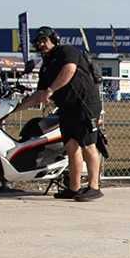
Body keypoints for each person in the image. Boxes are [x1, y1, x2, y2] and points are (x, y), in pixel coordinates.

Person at [12, 26, 104, 200]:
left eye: (44, 40)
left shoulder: (66, 51)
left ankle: (94, 187)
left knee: (88, 145)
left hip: (84, 104)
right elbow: (39, 95)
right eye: (38, 42)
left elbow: (69, 70)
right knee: (71, 146)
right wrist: (13, 110)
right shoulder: (46, 65)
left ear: (54, 39)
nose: (41, 44)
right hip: (66, 108)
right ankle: (74, 188)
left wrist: (51, 90)